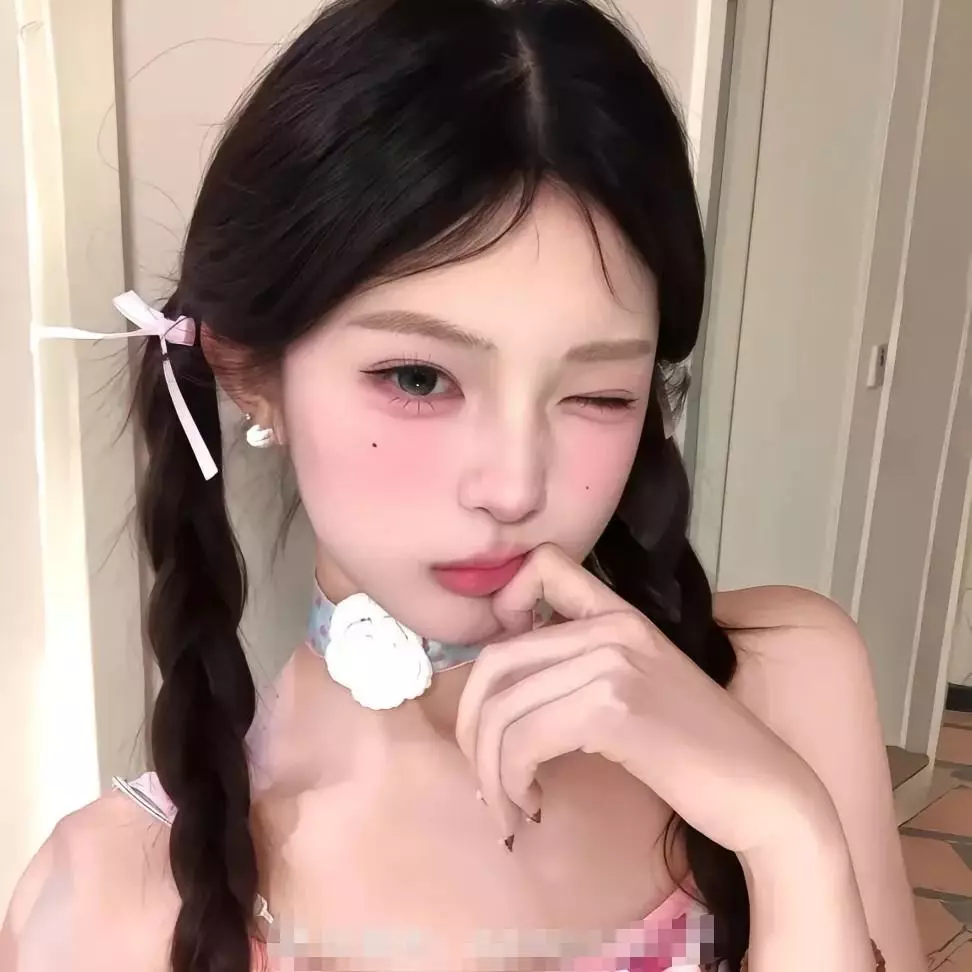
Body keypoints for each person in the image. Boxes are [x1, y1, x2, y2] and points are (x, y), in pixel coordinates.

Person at [0, 1, 924, 970]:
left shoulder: (784, 682)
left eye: (598, 392)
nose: (515, 486)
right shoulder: (109, 900)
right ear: (249, 372)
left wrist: (789, 840)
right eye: (418, 379)